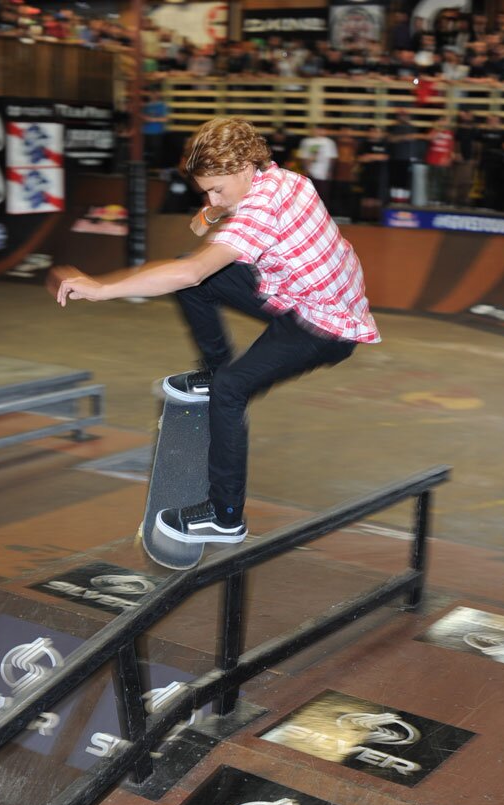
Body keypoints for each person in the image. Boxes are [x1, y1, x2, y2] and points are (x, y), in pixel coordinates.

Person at [48, 117, 380, 546]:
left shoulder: (261, 210)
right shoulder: (282, 179)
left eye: (216, 189)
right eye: (205, 190)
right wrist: (215, 209)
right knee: (195, 277)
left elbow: (191, 272)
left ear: (244, 169)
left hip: (325, 326)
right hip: (297, 295)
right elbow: (224, 216)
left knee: (227, 380)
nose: (210, 197)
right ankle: (215, 368)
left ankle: (225, 517)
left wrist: (102, 288)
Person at [297, 123, 338, 207]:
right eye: (315, 129)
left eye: (319, 129)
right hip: (309, 173)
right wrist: (305, 169)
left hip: (323, 172)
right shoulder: (306, 141)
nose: (317, 131)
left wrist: (329, 171)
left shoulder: (329, 142)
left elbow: (332, 158)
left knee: (323, 194)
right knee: (308, 195)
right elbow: (303, 157)